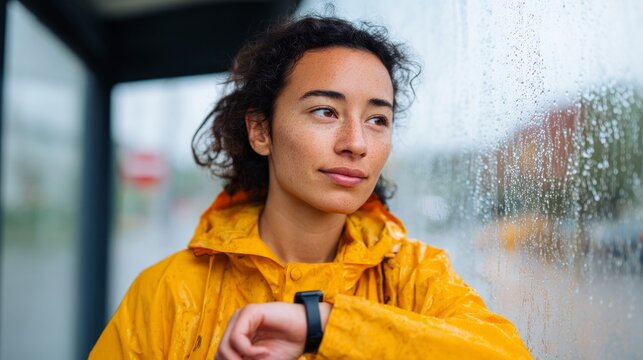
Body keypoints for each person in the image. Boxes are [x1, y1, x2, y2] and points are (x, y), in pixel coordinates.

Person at [90, 15, 532, 359]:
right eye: (326, 111)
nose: (356, 143)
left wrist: (320, 326)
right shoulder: (167, 292)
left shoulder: (416, 276)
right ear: (261, 131)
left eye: (378, 119)